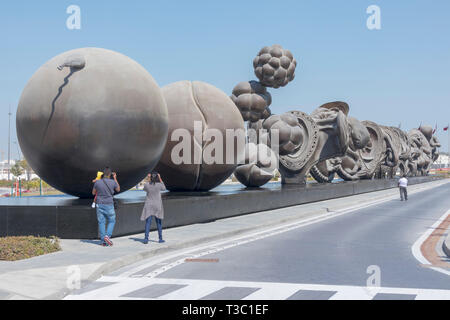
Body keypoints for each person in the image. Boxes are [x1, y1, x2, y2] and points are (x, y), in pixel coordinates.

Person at [92, 167, 120, 246]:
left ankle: (102, 241)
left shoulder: (97, 182)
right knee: (112, 221)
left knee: (101, 222)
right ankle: (107, 236)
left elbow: (93, 193)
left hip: (99, 204)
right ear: (110, 174)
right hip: (109, 204)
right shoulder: (112, 182)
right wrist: (115, 178)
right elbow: (118, 189)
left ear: (103, 174)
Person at [141, 172, 166, 244]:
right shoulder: (159, 185)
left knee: (148, 222)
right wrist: (160, 178)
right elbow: (164, 188)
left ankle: (146, 238)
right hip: (157, 205)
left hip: (149, 205)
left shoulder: (147, 185)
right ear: (157, 177)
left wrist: (149, 179)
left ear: (151, 177)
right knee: (159, 222)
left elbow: (144, 189)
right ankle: (160, 239)